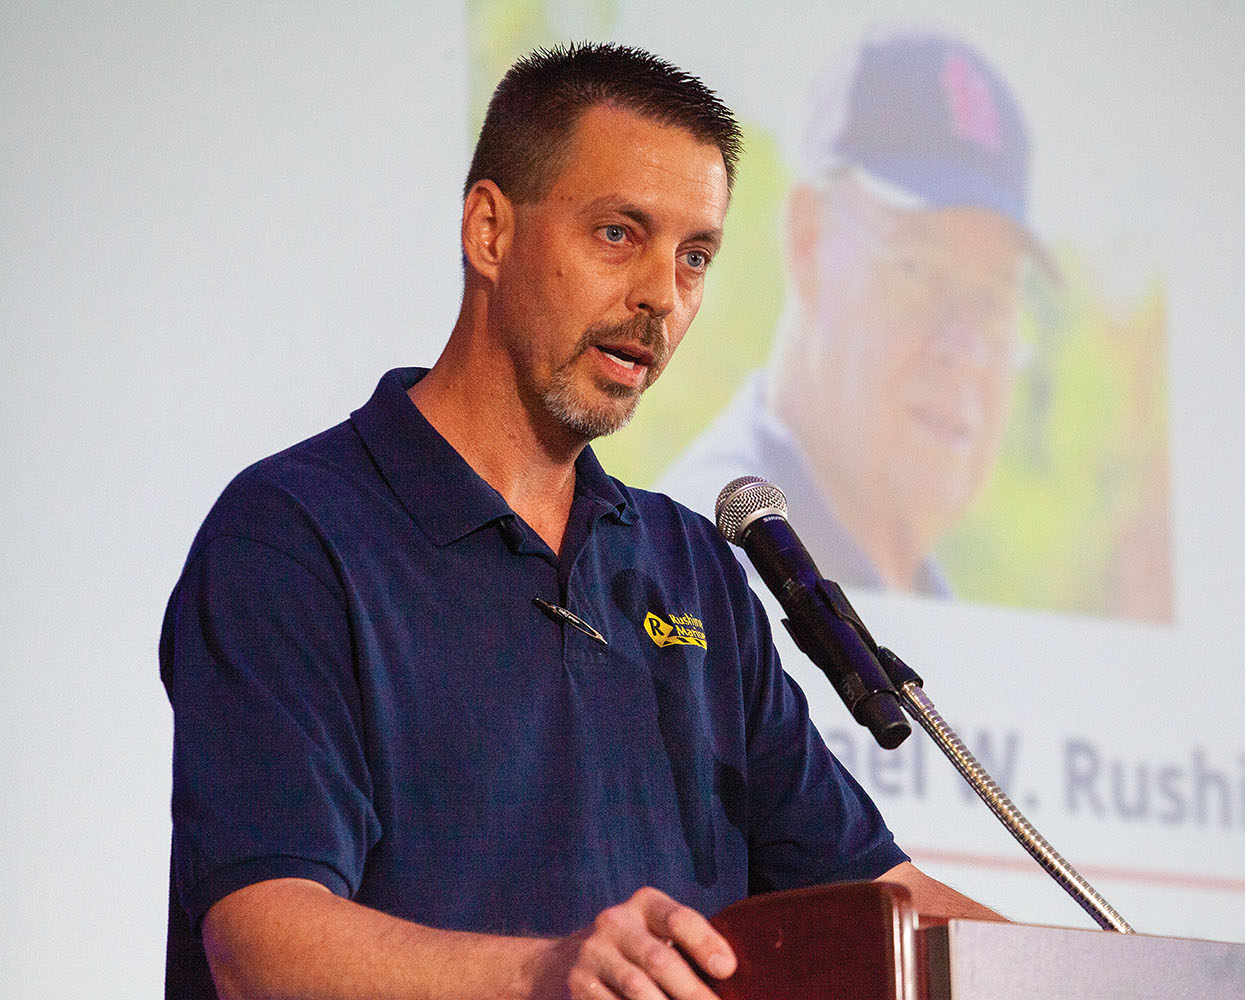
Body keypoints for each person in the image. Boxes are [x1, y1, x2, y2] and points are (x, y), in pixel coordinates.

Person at [161, 43, 996, 1000]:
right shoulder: (294, 536)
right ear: (488, 231)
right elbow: (263, 944)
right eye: (617, 234)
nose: (661, 297)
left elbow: (880, 899)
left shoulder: (693, 568)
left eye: (695, 256)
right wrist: (546, 975)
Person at [657, 32, 1051, 596]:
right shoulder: (700, 568)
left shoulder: (922, 583)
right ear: (808, 242)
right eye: (917, 269)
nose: (962, 348)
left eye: (993, 302)